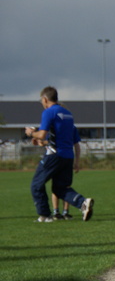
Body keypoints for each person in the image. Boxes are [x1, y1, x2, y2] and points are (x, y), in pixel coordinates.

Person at [25, 86, 93, 222]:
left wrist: (31, 133)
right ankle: (82, 203)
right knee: (60, 188)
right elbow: (62, 137)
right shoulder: (68, 114)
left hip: (54, 155)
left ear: (45, 99)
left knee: (36, 184)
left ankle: (45, 215)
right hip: (68, 156)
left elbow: (43, 134)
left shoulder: (49, 112)